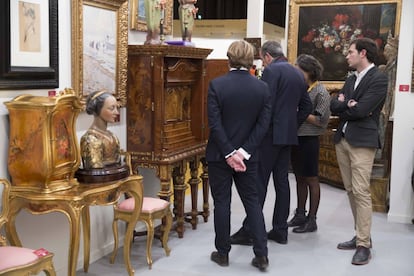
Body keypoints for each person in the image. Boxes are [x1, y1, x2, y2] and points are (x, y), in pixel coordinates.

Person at [230, 41, 312, 246]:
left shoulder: (272, 72)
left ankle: (250, 230)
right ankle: (280, 230)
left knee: (258, 183)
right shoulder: (297, 73)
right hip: (288, 137)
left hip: (268, 136)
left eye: (262, 59)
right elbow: (306, 105)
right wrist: (292, 124)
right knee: (282, 183)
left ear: (266, 56)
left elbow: (264, 103)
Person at [206, 40, 272, 272]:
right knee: (252, 203)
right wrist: (243, 153)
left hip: (218, 156)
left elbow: (214, 124)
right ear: (251, 59)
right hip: (249, 158)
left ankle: (222, 254)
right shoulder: (262, 88)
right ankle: (261, 255)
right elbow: (263, 126)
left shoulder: (216, 85)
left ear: (229, 58)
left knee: (222, 204)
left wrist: (228, 153)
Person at [330, 38, 388, 265]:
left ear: (363, 53)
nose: (347, 55)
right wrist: (347, 104)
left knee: (361, 192)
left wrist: (348, 104)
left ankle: (364, 244)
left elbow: (363, 110)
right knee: (351, 191)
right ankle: (360, 235)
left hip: (363, 141)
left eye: (350, 52)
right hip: (343, 138)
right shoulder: (351, 78)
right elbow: (335, 106)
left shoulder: (379, 79)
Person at [288, 54, 331, 233]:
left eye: (298, 69)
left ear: (308, 71)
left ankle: (312, 219)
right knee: (299, 178)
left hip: (309, 140)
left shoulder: (321, 92)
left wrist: (301, 111)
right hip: (296, 138)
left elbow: (322, 120)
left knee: (311, 179)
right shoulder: (300, 88)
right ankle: (300, 214)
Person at [80, 91, 121, 169]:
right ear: (98, 109)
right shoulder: (90, 139)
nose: (117, 112)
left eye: (117, 108)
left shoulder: (112, 136)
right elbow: (95, 170)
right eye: (111, 108)